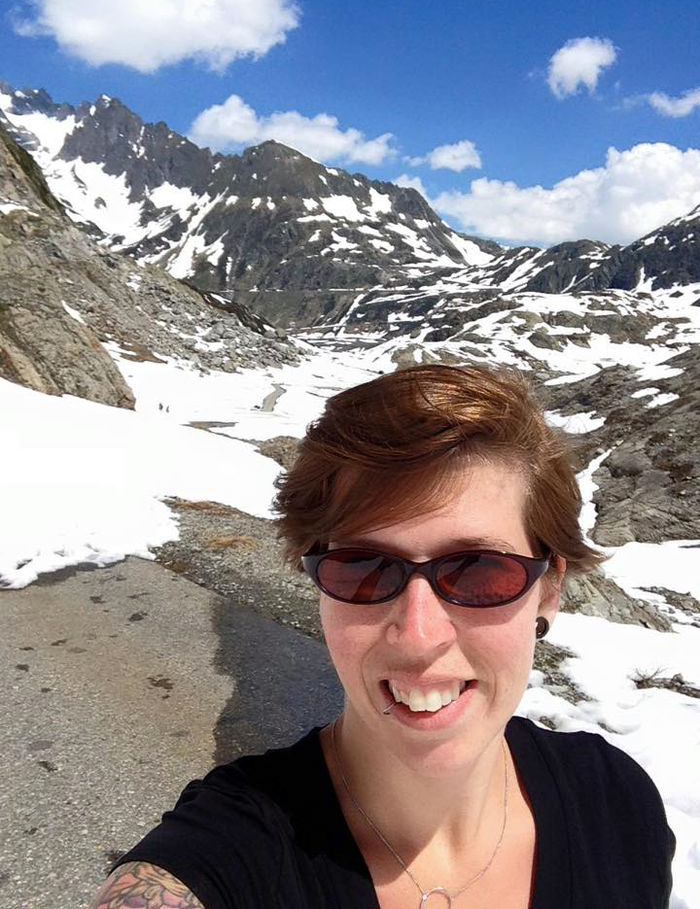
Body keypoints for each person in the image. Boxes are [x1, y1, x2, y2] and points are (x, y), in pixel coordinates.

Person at [91, 363, 675, 909]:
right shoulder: (230, 853)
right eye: (363, 569)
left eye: (477, 571)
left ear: (548, 592)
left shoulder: (617, 800)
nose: (419, 635)